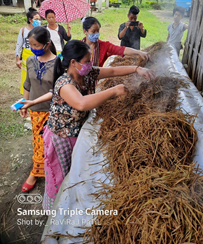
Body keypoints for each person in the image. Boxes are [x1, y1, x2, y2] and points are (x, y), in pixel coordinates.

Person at [40, 40, 154, 210]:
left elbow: (113, 70)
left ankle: (73, 205)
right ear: (73, 63)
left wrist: (137, 69)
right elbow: (81, 103)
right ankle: (56, 211)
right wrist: (113, 91)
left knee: (75, 172)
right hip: (61, 138)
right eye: (87, 61)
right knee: (62, 177)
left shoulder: (88, 74)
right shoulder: (64, 84)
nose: (90, 64)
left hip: (76, 131)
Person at [19, 26, 57, 192]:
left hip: (52, 112)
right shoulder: (30, 60)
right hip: (35, 111)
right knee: (37, 143)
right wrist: (24, 103)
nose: (33, 49)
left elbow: (57, 90)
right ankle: (35, 172)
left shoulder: (57, 63)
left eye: (36, 45)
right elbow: (27, 83)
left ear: (47, 44)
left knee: (50, 144)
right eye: (31, 45)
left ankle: (52, 172)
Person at [82, 16, 149, 67]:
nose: (96, 34)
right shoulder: (77, 46)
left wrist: (138, 52)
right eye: (93, 31)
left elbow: (122, 50)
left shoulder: (104, 46)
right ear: (85, 31)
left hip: (95, 82)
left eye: (98, 31)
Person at [15, 8, 41, 94]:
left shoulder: (40, 31)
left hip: (38, 56)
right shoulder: (23, 30)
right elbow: (19, 45)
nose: (39, 21)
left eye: (39, 19)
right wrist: (18, 59)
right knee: (26, 76)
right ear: (30, 20)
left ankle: (36, 92)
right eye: (36, 19)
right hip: (26, 57)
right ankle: (26, 94)